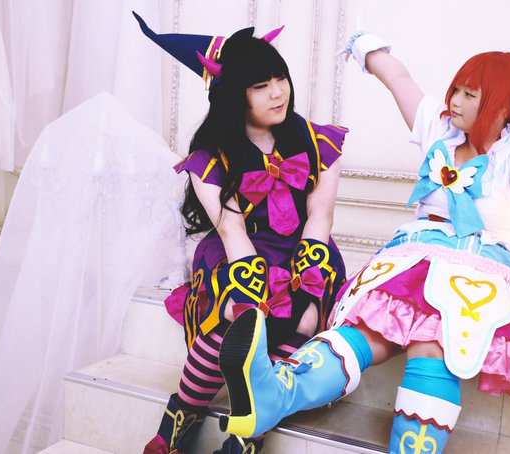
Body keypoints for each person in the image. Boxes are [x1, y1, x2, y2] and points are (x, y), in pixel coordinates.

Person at [214, 30, 510, 453]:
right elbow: (399, 79)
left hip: (482, 270)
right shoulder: (442, 129)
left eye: (470, 94)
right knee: (365, 330)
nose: (455, 101)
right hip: (416, 260)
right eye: (457, 89)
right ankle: (275, 392)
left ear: (504, 106)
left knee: (435, 341)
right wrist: (364, 47)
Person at [133, 12, 348, 454]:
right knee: (237, 317)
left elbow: (319, 219)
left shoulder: (318, 142)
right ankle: (180, 420)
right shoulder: (209, 159)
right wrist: (256, 299)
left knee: (303, 319)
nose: (278, 92)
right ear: (234, 94)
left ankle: (246, 437)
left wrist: (303, 286)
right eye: (261, 85)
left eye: (280, 79)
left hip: (303, 249)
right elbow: (232, 231)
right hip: (240, 251)